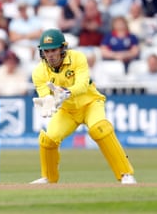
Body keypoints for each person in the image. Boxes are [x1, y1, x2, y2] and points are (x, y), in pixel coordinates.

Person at [30, 28, 136, 185]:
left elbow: (82, 85)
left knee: (99, 129)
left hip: (90, 103)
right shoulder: (39, 71)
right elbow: (45, 94)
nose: (50, 55)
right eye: (46, 51)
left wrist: (66, 92)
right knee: (48, 139)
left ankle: (126, 174)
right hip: (67, 111)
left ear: (62, 49)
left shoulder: (78, 58)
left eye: (53, 50)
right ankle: (48, 178)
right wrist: (48, 102)